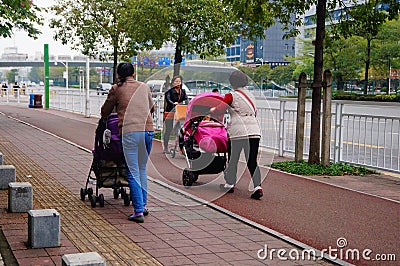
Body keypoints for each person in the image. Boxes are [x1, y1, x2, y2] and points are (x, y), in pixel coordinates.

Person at [101, 62, 155, 223]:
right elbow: (152, 108)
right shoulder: (144, 87)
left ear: (118, 75)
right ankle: (143, 205)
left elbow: (105, 111)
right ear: (134, 74)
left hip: (130, 132)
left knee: (132, 172)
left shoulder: (116, 89)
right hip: (148, 130)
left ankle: (138, 211)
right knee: (142, 169)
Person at [211, 70, 263, 199]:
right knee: (252, 161)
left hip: (238, 133)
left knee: (233, 159)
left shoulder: (231, 95)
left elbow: (220, 110)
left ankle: (230, 183)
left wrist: (212, 110)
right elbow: (255, 112)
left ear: (232, 82)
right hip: (254, 131)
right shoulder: (251, 95)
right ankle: (258, 187)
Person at [163, 75, 188, 153]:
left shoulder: (183, 91)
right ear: (173, 83)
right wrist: (174, 103)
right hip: (170, 113)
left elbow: (186, 100)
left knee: (181, 130)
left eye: (179, 81)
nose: (178, 83)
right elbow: (168, 99)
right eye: (176, 81)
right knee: (168, 130)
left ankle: (180, 148)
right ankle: (166, 147)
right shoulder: (169, 91)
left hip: (180, 113)